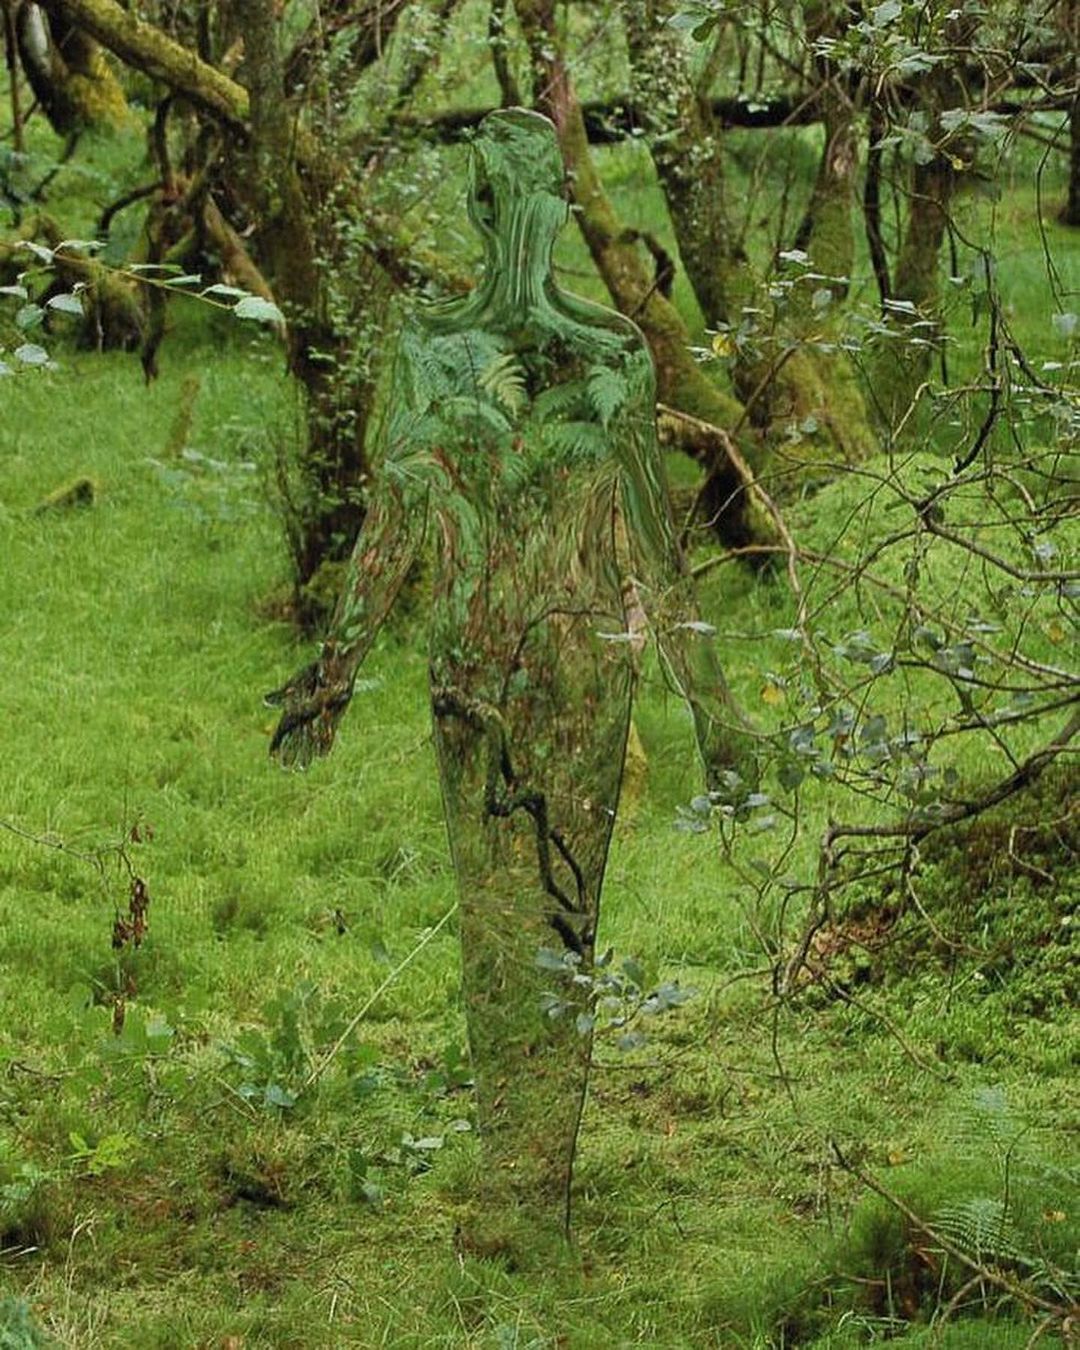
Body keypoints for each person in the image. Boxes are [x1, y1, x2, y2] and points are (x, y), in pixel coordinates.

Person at [267, 108, 748, 1240]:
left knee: (564, 910)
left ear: (550, 209)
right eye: (503, 198)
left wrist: (713, 709)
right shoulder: (430, 349)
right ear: (484, 211)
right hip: (473, 682)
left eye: (532, 198)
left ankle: (543, 1182)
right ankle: (514, 1185)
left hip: (584, 674)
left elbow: (654, 549)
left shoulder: (611, 356)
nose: (520, 219)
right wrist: (332, 673)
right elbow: (393, 521)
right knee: (497, 922)